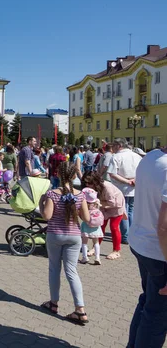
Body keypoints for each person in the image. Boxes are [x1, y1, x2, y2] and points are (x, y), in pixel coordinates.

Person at [39, 162, 90, 325]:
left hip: (55, 235)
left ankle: (54, 303)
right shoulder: (80, 195)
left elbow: (47, 216)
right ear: (75, 175)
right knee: (72, 271)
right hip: (74, 236)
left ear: (58, 175)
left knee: (54, 268)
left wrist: (41, 203)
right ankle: (80, 309)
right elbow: (87, 219)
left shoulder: (52, 194)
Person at [127, 145, 167, 347]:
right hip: (160, 253)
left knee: (147, 303)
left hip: (142, 243)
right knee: (157, 315)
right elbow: (164, 227)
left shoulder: (151, 157)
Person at [81, 171, 126, 260]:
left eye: (89, 183)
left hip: (116, 206)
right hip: (103, 207)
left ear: (95, 181)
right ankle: (95, 247)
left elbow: (112, 203)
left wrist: (97, 203)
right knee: (100, 226)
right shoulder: (89, 189)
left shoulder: (107, 187)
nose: (87, 185)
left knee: (114, 227)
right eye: (85, 182)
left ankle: (116, 251)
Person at [108, 138, 142, 245]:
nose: (112, 148)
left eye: (114, 145)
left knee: (123, 212)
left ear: (119, 145)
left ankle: (126, 236)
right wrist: (134, 181)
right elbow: (142, 171)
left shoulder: (117, 157)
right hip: (134, 185)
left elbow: (112, 174)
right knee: (131, 211)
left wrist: (127, 181)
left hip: (121, 187)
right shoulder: (137, 156)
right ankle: (132, 234)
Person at [79, 188, 104, 265]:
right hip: (96, 226)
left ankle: (84, 257)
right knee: (96, 242)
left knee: (84, 242)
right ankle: (97, 257)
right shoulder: (97, 202)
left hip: (86, 225)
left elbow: (82, 215)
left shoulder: (85, 204)